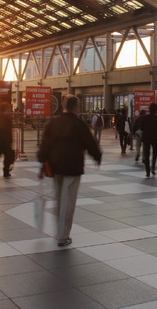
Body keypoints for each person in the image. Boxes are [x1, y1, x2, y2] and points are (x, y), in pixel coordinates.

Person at [38, 95, 102, 247]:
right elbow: (90, 143)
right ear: (77, 107)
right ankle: (62, 235)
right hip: (72, 167)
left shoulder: (53, 122)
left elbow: (45, 144)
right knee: (68, 201)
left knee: (59, 199)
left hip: (55, 166)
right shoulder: (79, 124)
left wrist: (42, 162)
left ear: (63, 106)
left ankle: (60, 232)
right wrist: (97, 156)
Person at [138, 103, 157, 177]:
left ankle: (147, 171)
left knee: (146, 154)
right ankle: (153, 168)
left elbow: (141, 128)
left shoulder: (144, 118)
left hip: (146, 138)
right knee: (155, 153)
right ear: (156, 110)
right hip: (154, 137)